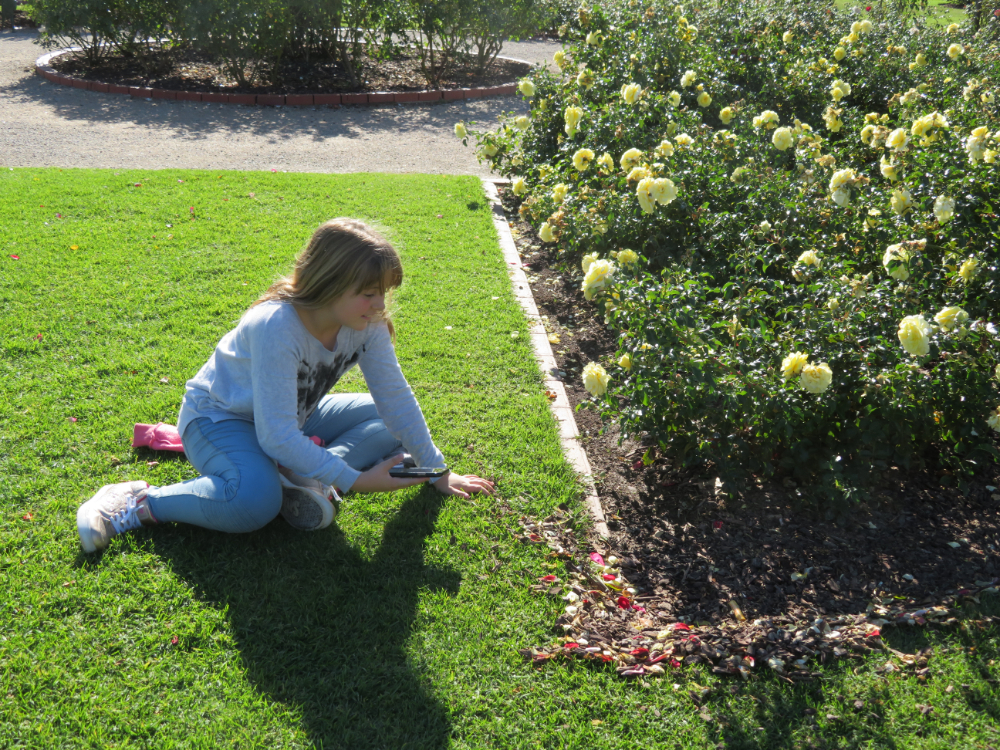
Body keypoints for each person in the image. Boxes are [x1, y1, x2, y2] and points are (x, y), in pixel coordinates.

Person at [76, 218, 494, 553]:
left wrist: (437, 470)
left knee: (387, 419)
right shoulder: (275, 327)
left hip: (291, 417)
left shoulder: (367, 325)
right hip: (219, 420)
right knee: (254, 503)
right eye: (368, 293)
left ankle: (308, 476)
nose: (380, 305)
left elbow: (396, 399)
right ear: (330, 283)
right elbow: (275, 435)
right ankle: (138, 501)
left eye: (382, 293)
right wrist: (356, 480)